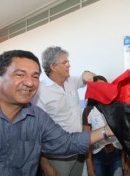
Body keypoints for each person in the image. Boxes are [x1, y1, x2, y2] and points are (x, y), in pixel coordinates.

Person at [0, 50, 114, 176]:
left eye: (35, 76)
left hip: (73, 154)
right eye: (20, 74)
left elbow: (66, 142)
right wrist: (46, 165)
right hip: (55, 160)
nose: (29, 82)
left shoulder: (37, 116)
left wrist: (108, 130)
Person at [32, 46, 95, 176]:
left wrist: (87, 73)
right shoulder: (40, 91)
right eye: (64, 62)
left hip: (78, 152)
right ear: (53, 67)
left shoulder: (71, 81)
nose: (69, 65)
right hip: (57, 158)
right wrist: (45, 165)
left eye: (68, 61)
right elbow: (36, 131)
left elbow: (86, 77)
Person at [82, 75, 130, 176]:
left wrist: (127, 162)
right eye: (100, 87)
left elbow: (125, 137)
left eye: (106, 86)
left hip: (116, 157)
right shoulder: (88, 110)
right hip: (97, 158)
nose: (104, 90)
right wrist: (90, 169)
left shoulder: (116, 108)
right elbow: (85, 141)